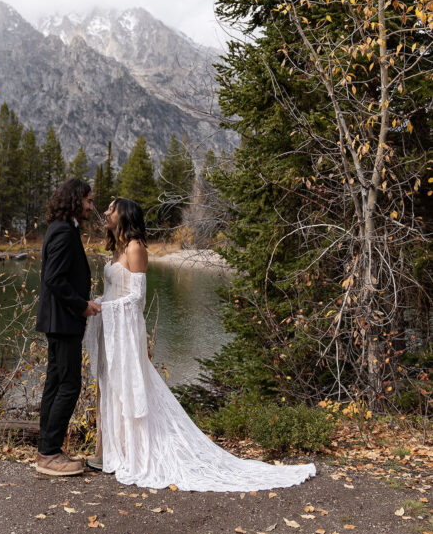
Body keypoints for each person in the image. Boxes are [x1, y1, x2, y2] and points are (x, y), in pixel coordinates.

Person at [85, 197, 317, 492]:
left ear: (125, 215)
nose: (105, 212)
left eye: (111, 209)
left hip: (127, 331)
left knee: (130, 386)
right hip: (111, 330)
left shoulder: (135, 247)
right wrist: (99, 303)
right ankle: (112, 451)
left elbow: (137, 298)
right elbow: (116, 291)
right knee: (111, 386)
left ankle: (135, 453)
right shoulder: (117, 248)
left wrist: (106, 308)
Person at [35, 178, 101, 476]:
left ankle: (48, 449)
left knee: (56, 383)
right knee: (69, 385)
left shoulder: (62, 227)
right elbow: (54, 278)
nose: (90, 206)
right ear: (76, 200)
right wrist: (82, 305)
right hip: (63, 322)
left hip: (59, 321)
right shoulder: (63, 231)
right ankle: (49, 454)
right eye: (88, 200)